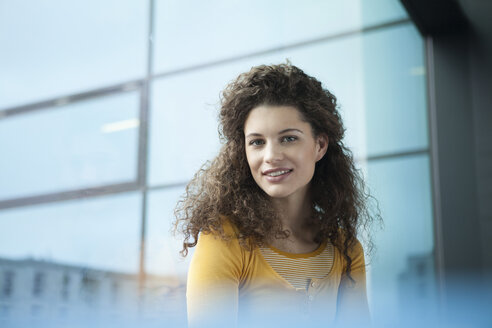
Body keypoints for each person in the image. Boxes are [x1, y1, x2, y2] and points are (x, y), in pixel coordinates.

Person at [174, 62, 378, 327]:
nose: (270, 156)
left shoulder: (346, 249)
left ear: (320, 145)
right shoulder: (224, 238)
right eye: (257, 142)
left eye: (288, 138)